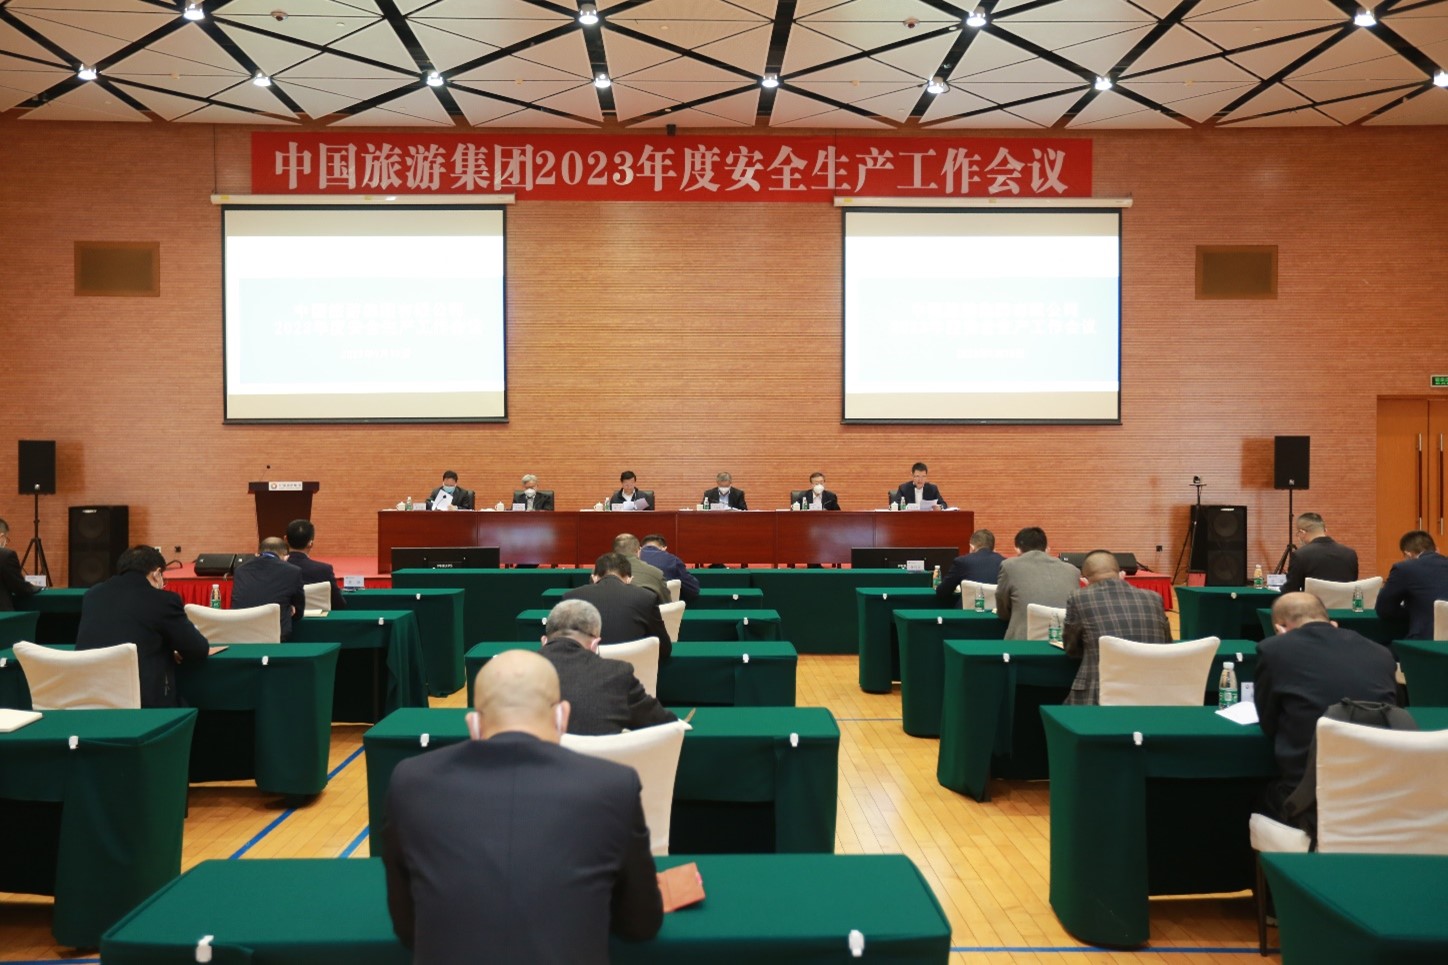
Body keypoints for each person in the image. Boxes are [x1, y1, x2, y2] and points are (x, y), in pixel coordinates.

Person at [383, 648, 663, 964]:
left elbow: (408, 928)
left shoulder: (411, 782)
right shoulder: (613, 785)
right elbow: (640, 924)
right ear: (562, 717)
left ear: (473, 725)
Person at [1254, 592, 1398, 820]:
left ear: (1280, 628)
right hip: (1380, 796)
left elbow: (1269, 724)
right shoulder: (1381, 653)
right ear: (1332, 622)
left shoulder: (1273, 650)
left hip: (1310, 799)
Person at [75, 545, 210, 707]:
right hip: (144, 704)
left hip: (91, 698)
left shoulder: (92, 596)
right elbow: (198, 649)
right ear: (157, 574)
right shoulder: (163, 600)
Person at [538, 599, 678, 735]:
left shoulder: (524, 671)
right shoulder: (618, 674)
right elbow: (665, 724)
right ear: (595, 645)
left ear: (544, 641)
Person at [1061, 550, 1173, 705]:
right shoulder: (1154, 598)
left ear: (1085, 579)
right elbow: (1167, 645)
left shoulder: (1079, 598)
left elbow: (1071, 649)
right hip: (1153, 696)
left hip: (1098, 698)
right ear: (1121, 574)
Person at [563, 553, 672, 659]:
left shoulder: (571, 597)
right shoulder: (647, 598)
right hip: (632, 669)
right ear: (629, 579)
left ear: (594, 578)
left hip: (586, 668)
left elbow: (564, 647)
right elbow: (664, 649)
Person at [994, 526, 1082, 640]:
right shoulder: (1073, 570)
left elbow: (1003, 611)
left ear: (1017, 549)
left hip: (1022, 642)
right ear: (1046, 548)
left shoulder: (1009, 566)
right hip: (1066, 642)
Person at [1375, 529, 1448, 640]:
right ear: (1436, 549)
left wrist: (1411, 612)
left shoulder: (1404, 568)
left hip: (1424, 641)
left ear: (1407, 554)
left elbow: (1384, 609)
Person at [231, 536, 306, 640]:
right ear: (285, 557)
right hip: (276, 635)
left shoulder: (240, 570)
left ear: (258, 553)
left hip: (240, 633)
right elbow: (298, 613)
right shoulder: (293, 571)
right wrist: (288, 608)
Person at [1279, 512, 1358, 594]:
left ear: (1302, 532)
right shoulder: (1350, 554)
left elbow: (1290, 590)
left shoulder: (1300, 555)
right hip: (1343, 602)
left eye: (1298, 534)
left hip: (1314, 602)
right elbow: (1353, 586)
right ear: (1325, 530)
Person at [285, 518, 345, 611]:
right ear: (311, 543)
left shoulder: (276, 569)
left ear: (285, 539)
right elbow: (338, 604)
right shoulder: (324, 570)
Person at [935, 529, 1006, 603]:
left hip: (967, 610)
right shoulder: (1005, 563)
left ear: (972, 547)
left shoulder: (962, 562)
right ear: (993, 548)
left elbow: (942, 592)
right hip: (997, 610)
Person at [612, 533, 671, 606]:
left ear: (614, 553)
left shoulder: (601, 574)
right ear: (639, 550)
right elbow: (667, 606)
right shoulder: (656, 573)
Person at [640, 533, 699, 604]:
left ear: (641, 547)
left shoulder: (632, 559)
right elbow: (692, 589)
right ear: (664, 548)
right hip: (663, 605)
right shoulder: (673, 560)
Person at [0, 517, 39, 610]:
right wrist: (36, 586)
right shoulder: (5, 555)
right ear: (2, 536)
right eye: (7, 539)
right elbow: (19, 588)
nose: (6, 543)